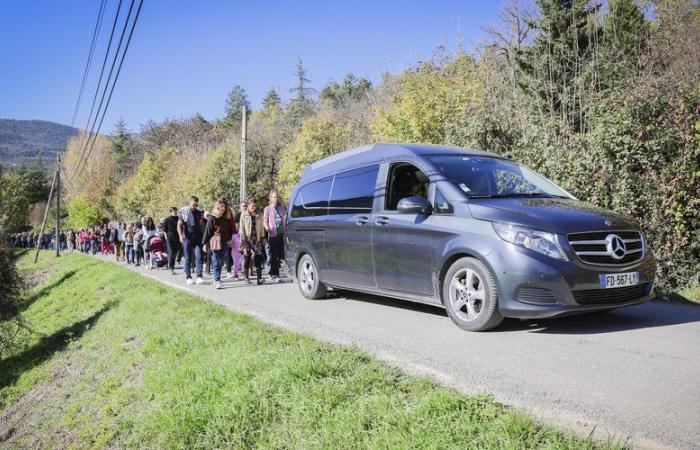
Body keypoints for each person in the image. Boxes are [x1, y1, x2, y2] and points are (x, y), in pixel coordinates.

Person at [202, 197, 235, 289]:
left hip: (224, 241)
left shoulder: (227, 218)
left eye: (224, 206)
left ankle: (216, 277)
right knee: (216, 261)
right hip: (214, 241)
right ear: (217, 207)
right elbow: (207, 231)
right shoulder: (212, 218)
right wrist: (204, 243)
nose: (223, 208)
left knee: (220, 262)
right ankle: (217, 280)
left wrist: (230, 240)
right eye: (221, 206)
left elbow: (230, 230)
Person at [178, 196, 205, 285]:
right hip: (187, 237)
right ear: (190, 203)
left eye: (196, 205)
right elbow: (179, 225)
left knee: (199, 256)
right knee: (187, 258)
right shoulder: (183, 211)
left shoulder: (199, 212)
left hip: (197, 237)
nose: (195, 206)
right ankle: (188, 277)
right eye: (193, 204)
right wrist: (180, 235)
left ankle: (199, 276)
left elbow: (201, 225)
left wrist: (204, 237)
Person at [240, 197, 266, 285]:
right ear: (248, 206)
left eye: (255, 206)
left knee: (258, 257)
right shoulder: (244, 214)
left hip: (257, 239)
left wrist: (263, 238)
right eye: (252, 206)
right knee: (247, 257)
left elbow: (262, 228)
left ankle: (259, 278)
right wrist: (243, 240)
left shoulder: (259, 214)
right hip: (247, 239)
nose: (254, 207)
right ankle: (246, 277)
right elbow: (241, 228)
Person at [263, 190, 287, 282]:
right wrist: (268, 230)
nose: (276, 198)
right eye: (274, 197)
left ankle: (272, 273)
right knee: (274, 255)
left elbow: (285, 220)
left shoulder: (281, 208)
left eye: (277, 197)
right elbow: (265, 222)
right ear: (270, 198)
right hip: (273, 235)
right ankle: (275, 275)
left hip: (281, 235)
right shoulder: (267, 209)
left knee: (280, 255)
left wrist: (286, 233)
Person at [163, 207, 181, 275]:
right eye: (173, 211)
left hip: (177, 237)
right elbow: (164, 230)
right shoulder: (167, 219)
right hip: (169, 238)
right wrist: (166, 238)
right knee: (171, 252)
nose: (175, 212)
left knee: (175, 252)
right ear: (171, 211)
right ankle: (170, 268)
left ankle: (172, 265)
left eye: (176, 211)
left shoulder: (179, 219)